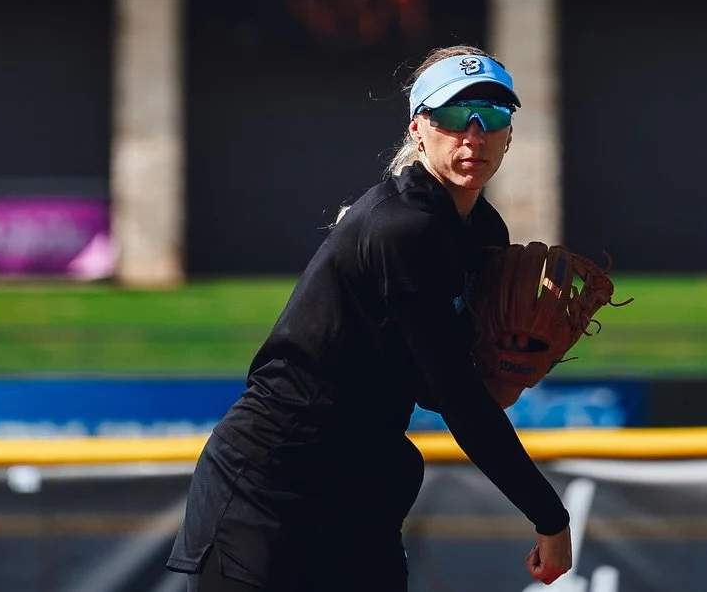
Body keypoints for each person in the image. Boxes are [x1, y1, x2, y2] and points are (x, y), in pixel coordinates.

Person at [169, 44, 573, 592]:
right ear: (417, 128)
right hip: (270, 486)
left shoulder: (483, 234)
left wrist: (506, 366)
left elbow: (438, 384)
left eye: (493, 115)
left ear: (509, 132)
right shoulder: (399, 228)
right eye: (453, 116)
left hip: (362, 484)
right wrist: (549, 516)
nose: (473, 134)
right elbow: (454, 396)